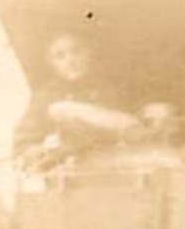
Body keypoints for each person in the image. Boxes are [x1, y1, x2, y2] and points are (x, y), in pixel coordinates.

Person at [13, 32, 172, 169]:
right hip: (72, 174)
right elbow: (23, 143)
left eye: (76, 51)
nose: (70, 60)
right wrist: (38, 150)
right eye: (60, 56)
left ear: (89, 53)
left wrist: (154, 113)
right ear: (52, 64)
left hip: (120, 168)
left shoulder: (112, 88)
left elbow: (136, 121)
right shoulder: (46, 97)